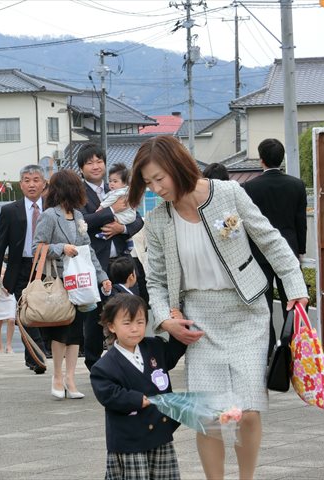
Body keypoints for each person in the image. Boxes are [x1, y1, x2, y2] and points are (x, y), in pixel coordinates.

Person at [128, 135, 308, 479]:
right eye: (148, 182)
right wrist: (166, 320)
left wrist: (295, 286)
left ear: (177, 166)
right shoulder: (158, 220)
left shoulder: (229, 193)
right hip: (198, 320)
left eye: (159, 179)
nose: (156, 188)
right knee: (207, 414)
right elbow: (157, 282)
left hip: (247, 311)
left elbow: (271, 241)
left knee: (248, 408)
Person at [32, 169, 112, 399]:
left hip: (80, 283)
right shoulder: (49, 215)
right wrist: (60, 249)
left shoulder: (78, 216)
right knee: (62, 330)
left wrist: (102, 277)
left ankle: (71, 378)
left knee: (76, 333)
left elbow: (89, 252)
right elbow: (36, 247)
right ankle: (57, 376)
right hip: (58, 282)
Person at [90, 295, 186, 480]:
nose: (135, 329)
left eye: (140, 322)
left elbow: (174, 352)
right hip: (129, 439)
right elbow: (108, 394)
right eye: (127, 323)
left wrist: (179, 324)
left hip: (160, 432)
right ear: (111, 326)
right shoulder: (104, 366)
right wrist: (135, 399)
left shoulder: (155, 347)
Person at [77, 144, 144, 371]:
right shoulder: (78, 193)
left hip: (122, 261)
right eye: (90, 163)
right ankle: (95, 364)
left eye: (99, 161)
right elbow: (81, 224)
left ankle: (130, 361)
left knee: (128, 311)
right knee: (95, 317)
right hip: (96, 264)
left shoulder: (117, 187)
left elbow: (137, 219)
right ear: (81, 168)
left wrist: (121, 229)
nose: (96, 166)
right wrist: (111, 211)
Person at [243, 138, 308, 356]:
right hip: (288, 249)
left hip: (259, 253)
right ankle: (293, 346)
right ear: (282, 159)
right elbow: (301, 221)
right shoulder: (296, 185)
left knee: (265, 303)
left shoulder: (250, 187)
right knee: (294, 299)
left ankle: (269, 349)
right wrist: (301, 250)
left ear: (261, 159)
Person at [0, 165, 49, 374]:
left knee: (42, 312)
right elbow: (0, 243)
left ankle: (32, 357)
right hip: (20, 267)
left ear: (44, 183)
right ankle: (39, 355)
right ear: (20, 184)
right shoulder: (9, 210)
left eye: (36, 179)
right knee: (25, 313)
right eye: (26, 180)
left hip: (47, 266)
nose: (32, 184)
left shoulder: (52, 208)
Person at [97, 162, 138, 228]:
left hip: (126, 216)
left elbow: (110, 199)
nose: (111, 184)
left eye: (115, 181)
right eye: (110, 181)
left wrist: (101, 207)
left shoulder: (121, 192)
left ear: (124, 183)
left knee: (110, 219)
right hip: (125, 215)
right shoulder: (118, 191)